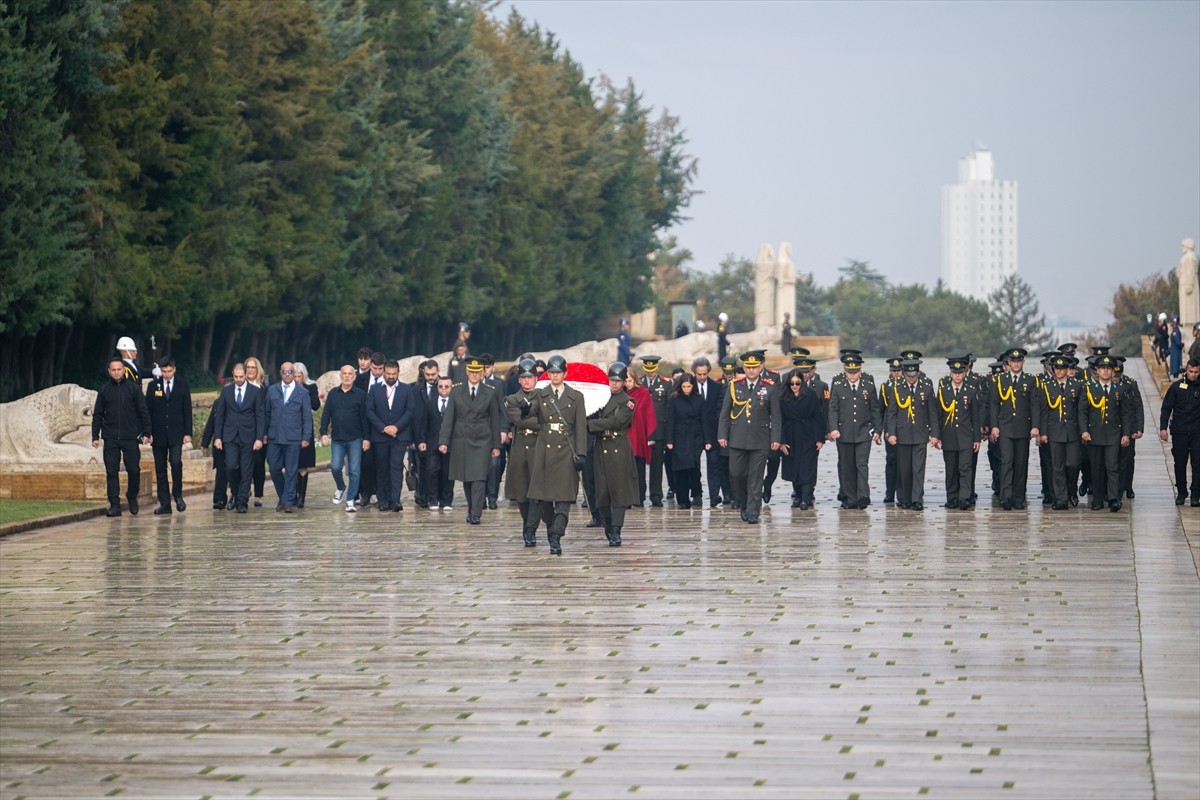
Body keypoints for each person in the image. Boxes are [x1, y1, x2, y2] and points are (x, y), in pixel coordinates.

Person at [527, 355, 588, 554]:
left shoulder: (576, 396)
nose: (555, 376)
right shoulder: (540, 394)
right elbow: (532, 411)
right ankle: (550, 527)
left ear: (564, 373)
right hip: (544, 449)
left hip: (565, 450)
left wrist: (581, 454)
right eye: (552, 373)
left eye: (558, 372)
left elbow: (580, 426)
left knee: (564, 497)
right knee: (542, 498)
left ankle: (557, 534)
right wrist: (525, 408)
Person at [717, 350, 780, 524]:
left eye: (754, 367)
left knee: (756, 477)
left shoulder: (769, 386)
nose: (751, 370)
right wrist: (722, 434)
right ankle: (745, 503)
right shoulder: (734, 386)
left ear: (760, 367)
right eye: (747, 367)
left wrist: (775, 438)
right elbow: (725, 413)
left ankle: (753, 511)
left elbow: (775, 416)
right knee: (737, 475)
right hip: (737, 438)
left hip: (760, 439)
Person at [438, 356, 501, 525]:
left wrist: (496, 445)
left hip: (482, 439)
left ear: (482, 373)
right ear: (467, 372)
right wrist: (443, 441)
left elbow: (495, 420)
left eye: (477, 372)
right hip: (462, 439)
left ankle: (476, 513)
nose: (474, 375)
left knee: (479, 477)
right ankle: (471, 507)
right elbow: (449, 417)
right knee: (467, 478)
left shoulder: (490, 391)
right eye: (471, 372)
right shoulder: (457, 390)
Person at [92, 356, 152, 517]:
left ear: (124, 370)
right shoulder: (104, 390)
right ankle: (114, 504)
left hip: (130, 436)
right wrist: (95, 436)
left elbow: (143, 411)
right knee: (111, 471)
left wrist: (147, 432)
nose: (117, 372)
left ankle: (132, 496)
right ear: (109, 371)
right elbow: (97, 414)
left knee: (134, 470)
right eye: (114, 370)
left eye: (119, 369)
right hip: (110, 436)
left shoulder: (133, 389)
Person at [588, 362, 641, 546]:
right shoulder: (599, 398)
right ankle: (608, 525)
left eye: (619, 381)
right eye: (612, 380)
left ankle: (617, 529)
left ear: (625, 381)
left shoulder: (629, 401)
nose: (615, 384)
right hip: (601, 446)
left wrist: (590, 425)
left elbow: (616, 422)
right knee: (602, 492)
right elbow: (590, 415)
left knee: (619, 491)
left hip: (618, 446)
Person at [1079, 354, 1135, 511]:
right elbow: (1082, 412)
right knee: (1096, 468)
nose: (1105, 371)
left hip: (1113, 435)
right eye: (1102, 368)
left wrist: (1126, 434)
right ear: (1097, 370)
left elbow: (1125, 413)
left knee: (1112, 466)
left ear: (1113, 372)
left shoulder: (1120, 390)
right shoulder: (1089, 388)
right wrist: (1084, 431)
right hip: (1094, 434)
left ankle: (1113, 499)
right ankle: (1097, 499)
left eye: (1108, 369)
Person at [827, 352, 881, 510]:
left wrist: (878, 430)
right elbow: (833, 408)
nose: (852, 375)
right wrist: (833, 428)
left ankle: (863, 495)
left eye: (855, 371)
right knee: (847, 466)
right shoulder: (838, 386)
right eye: (849, 372)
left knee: (862, 465)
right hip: (844, 433)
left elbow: (875, 409)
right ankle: (851, 498)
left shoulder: (868, 386)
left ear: (860, 371)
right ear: (845, 371)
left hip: (864, 432)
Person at [884, 359, 940, 511]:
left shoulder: (926, 388)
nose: (911, 378)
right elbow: (892, 413)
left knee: (918, 468)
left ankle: (916, 499)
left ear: (918, 373)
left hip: (920, 434)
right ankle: (904, 498)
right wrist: (891, 433)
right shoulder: (897, 388)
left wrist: (934, 434)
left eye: (913, 375)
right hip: (902, 434)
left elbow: (932, 414)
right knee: (904, 469)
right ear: (904, 373)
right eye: (908, 375)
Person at [988, 347, 1039, 510]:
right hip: (1005, 427)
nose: (1016, 364)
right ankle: (1006, 496)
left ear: (1023, 362)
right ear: (1008, 363)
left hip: (1023, 427)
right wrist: (994, 426)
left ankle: (1018, 497)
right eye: (1013, 361)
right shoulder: (1000, 380)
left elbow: (1034, 405)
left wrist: (1035, 426)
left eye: (1019, 361)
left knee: (1021, 463)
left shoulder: (1030, 380)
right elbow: (994, 404)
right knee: (1006, 462)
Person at [212, 363, 265, 513]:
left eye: (241, 377)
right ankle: (235, 493)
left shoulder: (255, 392)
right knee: (231, 467)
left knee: (247, 470)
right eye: (236, 377)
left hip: (248, 436)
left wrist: (259, 438)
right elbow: (220, 415)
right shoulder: (227, 391)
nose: (239, 379)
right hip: (230, 436)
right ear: (233, 374)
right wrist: (218, 437)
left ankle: (242, 501)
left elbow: (260, 416)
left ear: (245, 375)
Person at [145, 355, 193, 514]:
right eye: (164, 371)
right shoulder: (153, 386)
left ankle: (178, 495)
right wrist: (147, 432)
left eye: (169, 371)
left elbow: (187, 409)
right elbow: (148, 411)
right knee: (160, 469)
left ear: (174, 369)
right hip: (158, 434)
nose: (167, 374)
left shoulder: (182, 385)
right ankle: (164, 503)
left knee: (175, 462)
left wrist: (188, 433)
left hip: (176, 433)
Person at [1035, 354, 1083, 510]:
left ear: (1067, 369)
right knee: (1057, 466)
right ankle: (1061, 498)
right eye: (1057, 368)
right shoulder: (1047, 385)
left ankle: (1071, 490)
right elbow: (1043, 411)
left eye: (1063, 368)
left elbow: (1081, 411)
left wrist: (1084, 431)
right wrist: (1043, 432)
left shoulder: (1077, 385)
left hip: (1073, 431)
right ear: (1053, 369)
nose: (1060, 371)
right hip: (1054, 430)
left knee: (1074, 464)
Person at [263, 362, 313, 513]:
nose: (287, 375)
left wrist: (306, 437)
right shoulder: (272, 390)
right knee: (274, 468)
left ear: (294, 373)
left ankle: (288, 502)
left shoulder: (302, 392)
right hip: (274, 436)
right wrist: (264, 434)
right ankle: (284, 496)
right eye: (284, 372)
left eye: (290, 372)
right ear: (280, 373)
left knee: (291, 470)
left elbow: (306, 417)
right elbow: (266, 414)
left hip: (293, 437)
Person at [320, 365, 370, 513]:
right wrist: (323, 432)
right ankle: (341, 487)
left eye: (350, 374)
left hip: (355, 438)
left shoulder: (360, 395)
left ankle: (350, 500)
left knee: (354, 470)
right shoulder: (333, 394)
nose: (347, 376)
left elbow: (364, 418)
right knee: (335, 467)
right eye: (344, 374)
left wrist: (366, 438)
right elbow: (326, 414)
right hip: (338, 438)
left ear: (354, 376)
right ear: (340, 376)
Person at [367, 359, 415, 513]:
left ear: (398, 373)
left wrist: (396, 427)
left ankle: (395, 500)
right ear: (384, 373)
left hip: (399, 436)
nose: (391, 376)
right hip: (380, 436)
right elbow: (370, 411)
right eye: (388, 373)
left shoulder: (406, 389)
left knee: (395, 467)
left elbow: (410, 411)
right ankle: (383, 500)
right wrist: (383, 428)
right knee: (382, 469)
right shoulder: (374, 389)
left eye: (394, 374)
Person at [777, 358, 824, 509]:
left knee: (807, 467)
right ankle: (797, 495)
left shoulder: (811, 395)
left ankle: (806, 497)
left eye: (798, 383)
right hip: (790, 435)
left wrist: (819, 438)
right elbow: (780, 420)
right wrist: (782, 441)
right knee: (794, 467)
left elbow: (818, 417)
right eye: (792, 383)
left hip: (808, 435)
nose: (795, 386)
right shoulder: (783, 397)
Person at [936, 357, 983, 510]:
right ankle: (952, 498)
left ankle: (964, 498)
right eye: (954, 373)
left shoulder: (970, 390)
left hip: (966, 437)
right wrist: (937, 436)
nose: (957, 376)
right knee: (951, 470)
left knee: (965, 468)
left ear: (964, 373)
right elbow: (938, 415)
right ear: (951, 373)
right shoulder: (944, 390)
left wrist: (977, 438)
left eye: (960, 373)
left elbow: (975, 418)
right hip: (948, 436)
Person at [505, 359, 543, 545]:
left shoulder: (544, 398)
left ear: (536, 379)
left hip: (538, 447)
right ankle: (527, 523)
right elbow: (518, 421)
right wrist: (541, 422)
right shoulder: (512, 399)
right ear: (518, 380)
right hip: (520, 449)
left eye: (530, 377)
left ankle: (531, 529)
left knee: (536, 492)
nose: (527, 381)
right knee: (521, 493)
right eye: (523, 378)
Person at [1160, 357, 1200, 506]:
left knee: (1197, 464)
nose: (1193, 374)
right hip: (1180, 431)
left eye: (1196, 372)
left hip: (1197, 432)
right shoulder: (1176, 387)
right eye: (1191, 371)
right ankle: (1182, 492)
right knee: (1180, 463)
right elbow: (1166, 408)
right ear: (1186, 370)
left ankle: (1196, 494)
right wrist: (1163, 428)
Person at [666, 372, 707, 508]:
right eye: (684, 386)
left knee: (694, 466)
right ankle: (682, 499)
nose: (686, 389)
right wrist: (669, 440)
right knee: (680, 469)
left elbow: (704, 420)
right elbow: (671, 419)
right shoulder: (674, 399)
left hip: (695, 436)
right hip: (679, 436)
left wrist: (707, 440)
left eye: (689, 386)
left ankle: (697, 494)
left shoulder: (699, 399)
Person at [638, 355, 672, 506]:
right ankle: (638, 495)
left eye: (652, 370)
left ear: (657, 368)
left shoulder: (665, 383)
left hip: (658, 431)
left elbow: (669, 409)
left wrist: (668, 435)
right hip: (641, 431)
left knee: (657, 465)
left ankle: (656, 495)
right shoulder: (639, 382)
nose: (650, 373)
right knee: (639, 465)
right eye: (648, 370)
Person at [691, 357, 724, 507]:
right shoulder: (688, 386)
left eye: (705, 374)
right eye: (699, 374)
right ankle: (696, 494)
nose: (702, 377)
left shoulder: (717, 387)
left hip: (713, 431)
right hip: (695, 433)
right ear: (694, 373)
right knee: (694, 465)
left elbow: (720, 409)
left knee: (714, 465)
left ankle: (714, 495)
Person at [481, 354, 510, 510]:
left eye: (487, 368)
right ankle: (481, 497)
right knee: (479, 466)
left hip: (494, 432)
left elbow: (502, 409)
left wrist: (504, 430)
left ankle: (492, 497)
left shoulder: (497, 385)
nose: (484, 371)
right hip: (477, 433)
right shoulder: (470, 384)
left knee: (494, 465)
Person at [357, 352, 386, 507]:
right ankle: (366, 492)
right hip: (365, 427)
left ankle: (379, 492)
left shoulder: (389, 381)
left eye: (380, 368)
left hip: (383, 428)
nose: (377, 372)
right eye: (375, 368)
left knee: (381, 463)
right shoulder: (360, 379)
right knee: (365, 462)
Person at [411, 359, 441, 508]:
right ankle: (422, 495)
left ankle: (436, 496)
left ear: (438, 372)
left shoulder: (443, 387)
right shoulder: (416, 390)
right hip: (420, 435)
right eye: (427, 374)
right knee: (421, 467)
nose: (430, 377)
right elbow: (412, 413)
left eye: (433, 374)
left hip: (437, 434)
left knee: (435, 468)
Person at [623, 372, 656, 506]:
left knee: (639, 468)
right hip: (624, 435)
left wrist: (651, 435)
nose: (627, 384)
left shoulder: (643, 393)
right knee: (624, 469)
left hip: (638, 434)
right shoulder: (619, 394)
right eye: (625, 381)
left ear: (635, 380)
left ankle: (639, 497)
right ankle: (626, 498)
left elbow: (649, 413)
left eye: (630, 380)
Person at [1113, 358, 1144, 500]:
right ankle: (1114, 488)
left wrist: (1139, 428)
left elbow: (1138, 406)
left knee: (1128, 459)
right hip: (1112, 427)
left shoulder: (1130, 384)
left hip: (1129, 427)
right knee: (1113, 460)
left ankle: (1128, 486)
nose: (1115, 378)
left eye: (1117, 376)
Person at [291, 362, 320, 508]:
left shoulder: (310, 386)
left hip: (305, 428)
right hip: (291, 428)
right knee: (293, 463)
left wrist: (304, 395)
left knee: (304, 464)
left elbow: (316, 405)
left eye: (299, 376)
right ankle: (293, 494)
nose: (297, 379)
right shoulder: (288, 387)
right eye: (295, 376)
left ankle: (301, 497)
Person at [243, 356, 270, 507]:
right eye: (248, 367)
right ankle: (244, 490)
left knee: (258, 464)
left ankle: (258, 494)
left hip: (259, 432)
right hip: (243, 432)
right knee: (243, 463)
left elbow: (265, 413)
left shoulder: (263, 390)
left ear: (257, 369)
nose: (250, 370)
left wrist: (264, 434)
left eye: (253, 367)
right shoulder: (239, 386)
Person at [878, 356, 904, 503]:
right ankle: (890, 492)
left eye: (898, 370)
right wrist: (881, 430)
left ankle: (902, 492)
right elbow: (881, 411)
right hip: (890, 430)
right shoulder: (885, 386)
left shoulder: (906, 385)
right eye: (893, 371)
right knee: (891, 461)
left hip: (905, 428)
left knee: (904, 462)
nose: (896, 374)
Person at [428, 376, 455, 510]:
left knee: (448, 473)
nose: (443, 389)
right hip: (433, 443)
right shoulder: (430, 403)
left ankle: (447, 500)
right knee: (433, 471)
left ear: (451, 387)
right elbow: (424, 423)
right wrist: (421, 440)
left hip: (451, 444)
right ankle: (433, 499)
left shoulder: (455, 404)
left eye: (446, 386)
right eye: (440, 386)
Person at [200, 393, 228, 510]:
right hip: (219, 443)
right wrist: (205, 442)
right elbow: (211, 422)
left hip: (236, 442)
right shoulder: (218, 403)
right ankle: (219, 499)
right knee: (221, 472)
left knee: (235, 471)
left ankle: (238, 497)